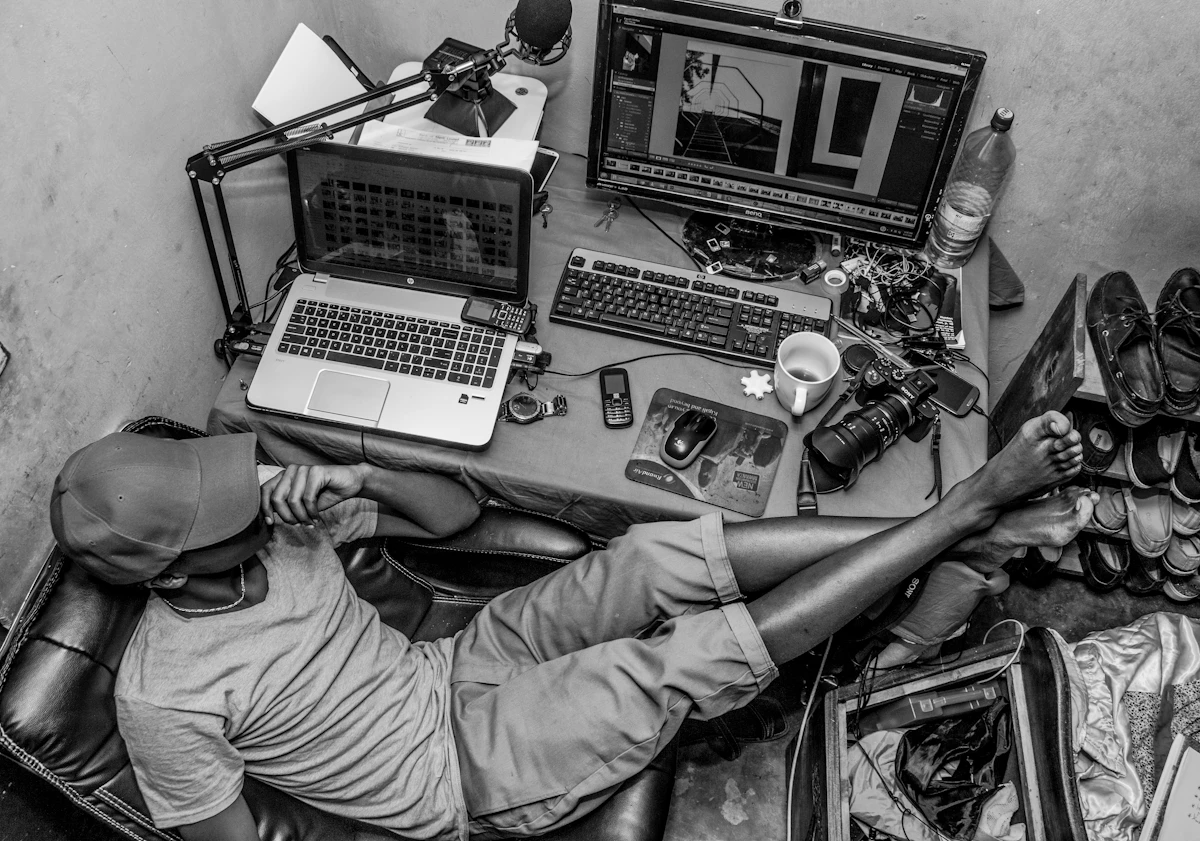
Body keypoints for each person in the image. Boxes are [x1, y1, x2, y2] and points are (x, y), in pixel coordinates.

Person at [48, 411, 1092, 841]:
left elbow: (453, 517)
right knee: (673, 661)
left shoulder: (277, 531)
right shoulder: (164, 693)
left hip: (452, 659)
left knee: (648, 553)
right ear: (167, 569)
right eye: (220, 509)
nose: (253, 496)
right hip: (455, 767)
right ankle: (963, 516)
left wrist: (354, 477)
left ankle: (946, 526)